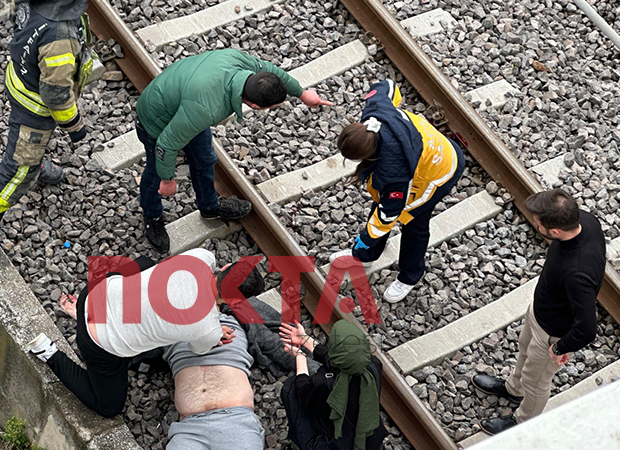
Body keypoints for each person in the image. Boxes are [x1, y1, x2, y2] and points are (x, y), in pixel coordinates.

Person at [135, 48, 333, 253]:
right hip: (155, 120)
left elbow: (274, 71)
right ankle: (153, 216)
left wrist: (302, 93)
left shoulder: (242, 65)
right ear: (255, 106)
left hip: (186, 106)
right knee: (155, 173)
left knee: (205, 159)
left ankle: (209, 207)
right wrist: (167, 179)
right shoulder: (208, 108)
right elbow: (166, 144)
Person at [26, 248, 263, 418]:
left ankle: (80, 310)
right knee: (109, 408)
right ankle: (49, 353)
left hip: (93, 293)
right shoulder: (207, 328)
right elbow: (198, 348)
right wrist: (212, 326)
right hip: (96, 343)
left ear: (225, 267)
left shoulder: (201, 256)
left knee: (146, 263)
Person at [0, 0, 100, 276]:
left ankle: (36, 164)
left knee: (30, 156)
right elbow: (56, 97)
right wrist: (75, 127)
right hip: (35, 114)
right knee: (17, 172)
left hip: (20, 82)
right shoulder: (59, 38)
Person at [472, 189, 605, 435]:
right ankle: (513, 389)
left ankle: (523, 422)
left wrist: (558, 348)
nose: (535, 223)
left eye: (537, 222)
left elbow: (587, 329)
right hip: (540, 311)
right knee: (523, 352)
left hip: (551, 334)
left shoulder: (578, 273)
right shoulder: (585, 220)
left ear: (554, 232)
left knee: (537, 382)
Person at [330, 79, 464, 303]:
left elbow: (389, 212)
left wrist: (366, 237)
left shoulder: (393, 172)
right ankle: (366, 256)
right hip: (426, 149)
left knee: (413, 222)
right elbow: (388, 86)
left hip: (440, 170)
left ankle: (410, 275)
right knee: (381, 203)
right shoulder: (374, 112)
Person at [279, 320, 387, 450]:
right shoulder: (373, 365)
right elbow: (343, 361)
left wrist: (300, 356)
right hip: (370, 439)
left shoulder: (323, 382)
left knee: (290, 387)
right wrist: (305, 339)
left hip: (335, 445)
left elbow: (302, 389)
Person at [162, 312, 264, 449]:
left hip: (236, 421)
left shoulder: (234, 317)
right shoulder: (168, 324)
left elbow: (273, 342)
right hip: (190, 429)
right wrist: (200, 333)